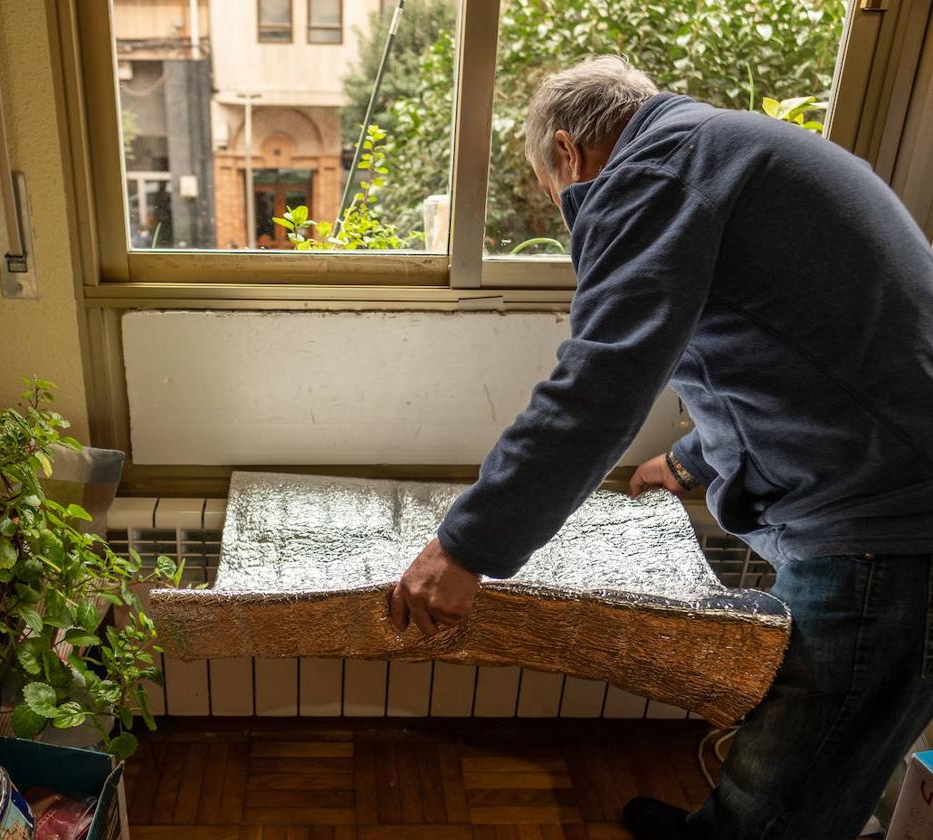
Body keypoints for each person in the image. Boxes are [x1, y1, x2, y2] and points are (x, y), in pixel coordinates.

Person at [388, 56, 933, 840]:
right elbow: (785, 348)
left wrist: (464, 547)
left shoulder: (656, 176)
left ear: (570, 152)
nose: (572, 211)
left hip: (890, 529)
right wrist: (689, 462)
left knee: (791, 792)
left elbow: (600, 381)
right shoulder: (718, 151)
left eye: (558, 199)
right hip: (887, 491)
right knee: (783, 753)